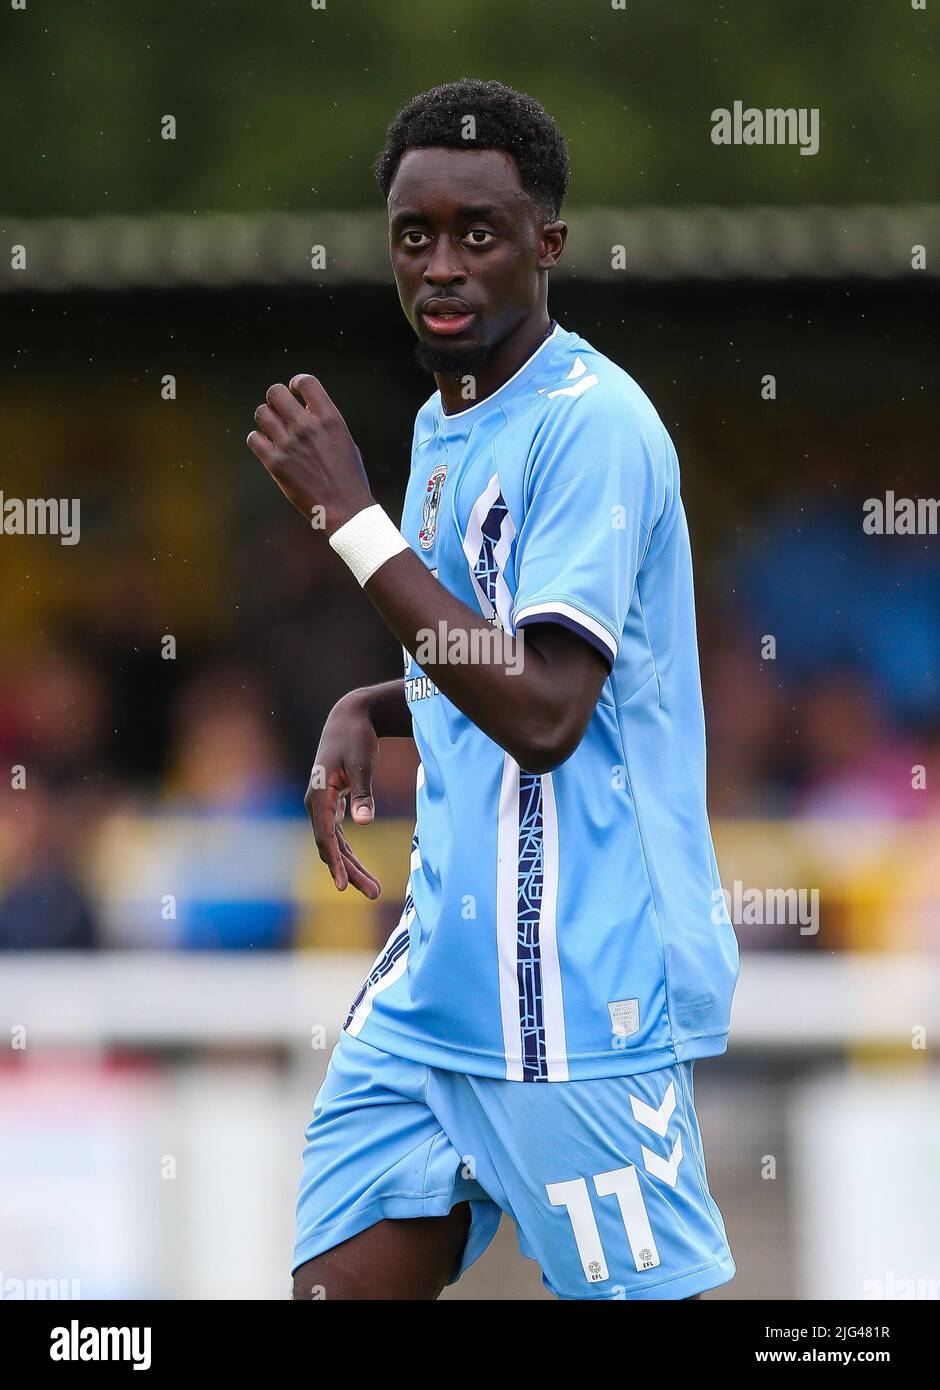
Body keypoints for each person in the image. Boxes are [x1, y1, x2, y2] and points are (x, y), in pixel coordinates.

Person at [247, 79, 739, 1301]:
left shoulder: (596, 425)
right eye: (417, 236)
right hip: (435, 994)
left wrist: (350, 520)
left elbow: (548, 709)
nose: (444, 266)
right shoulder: (441, 422)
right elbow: (478, 652)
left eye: (481, 234)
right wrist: (376, 703)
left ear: (548, 247)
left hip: (578, 998)